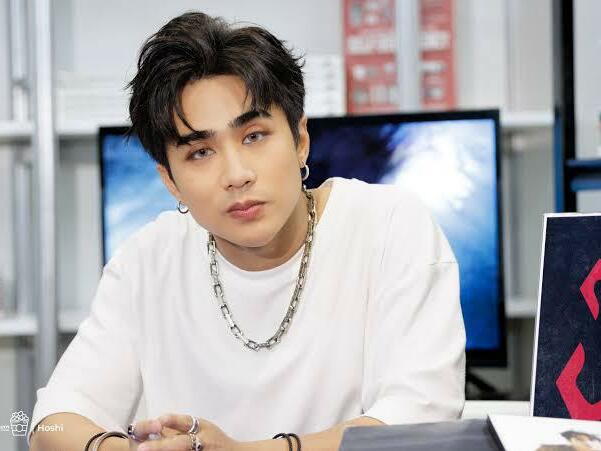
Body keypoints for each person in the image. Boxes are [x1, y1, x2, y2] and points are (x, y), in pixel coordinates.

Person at [28, 11, 466, 451]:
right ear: (170, 181)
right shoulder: (146, 260)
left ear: (300, 139)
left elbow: (419, 422)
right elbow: (50, 422)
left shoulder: (390, 227)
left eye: (254, 136)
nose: (236, 175)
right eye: (200, 152)